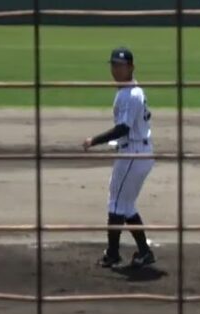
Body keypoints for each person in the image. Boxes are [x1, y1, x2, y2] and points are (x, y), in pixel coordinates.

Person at [82, 47, 156, 269]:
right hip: (136, 151)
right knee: (125, 205)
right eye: (113, 65)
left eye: (120, 65)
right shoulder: (129, 90)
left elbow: (123, 128)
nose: (116, 69)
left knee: (116, 204)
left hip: (134, 154)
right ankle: (144, 252)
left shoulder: (131, 94)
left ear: (131, 67)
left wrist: (93, 141)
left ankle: (113, 254)